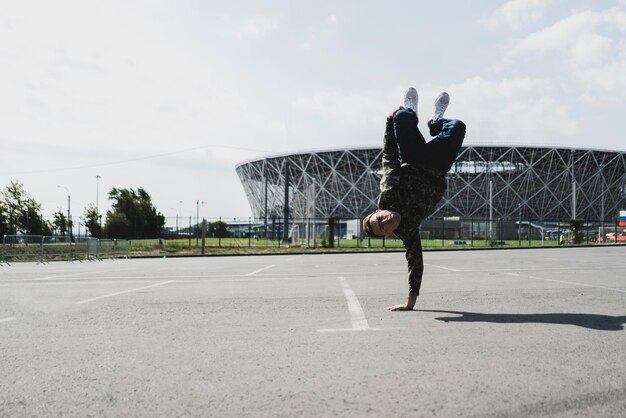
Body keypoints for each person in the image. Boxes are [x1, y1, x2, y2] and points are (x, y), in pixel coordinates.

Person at [362, 87, 466, 311]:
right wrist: (411, 302)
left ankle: (416, 113)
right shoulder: (407, 230)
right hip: (438, 167)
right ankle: (438, 121)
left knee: (401, 117)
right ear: (388, 233)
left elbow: (389, 156)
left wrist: (388, 123)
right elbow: (415, 263)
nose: (384, 221)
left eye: (379, 219)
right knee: (458, 127)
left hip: (415, 157)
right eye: (382, 228)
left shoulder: (389, 191)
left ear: (378, 210)